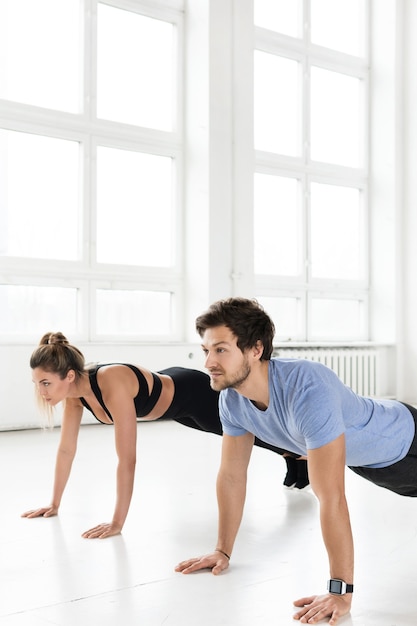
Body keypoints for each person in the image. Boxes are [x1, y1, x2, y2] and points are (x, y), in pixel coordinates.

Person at [175, 297, 417, 625]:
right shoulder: (232, 401)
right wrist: (222, 550)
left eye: (220, 350)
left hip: (407, 439)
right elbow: (232, 476)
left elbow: (331, 497)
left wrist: (339, 592)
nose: (208, 362)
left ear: (255, 349)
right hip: (375, 464)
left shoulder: (307, 385)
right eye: (205, 350)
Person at [22, 331, 309, 539]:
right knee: (240, 435)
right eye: (37, 384)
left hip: (191, 393)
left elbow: (127, 459)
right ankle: (293, 457)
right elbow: (66, 450)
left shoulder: (111, 382)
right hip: (174, 408)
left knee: (248, 433)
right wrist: (54, 503)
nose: (42, 391)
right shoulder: (74, 397)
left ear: (69, 376)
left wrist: (117, 522)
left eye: (46, 383)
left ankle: (300, 453)